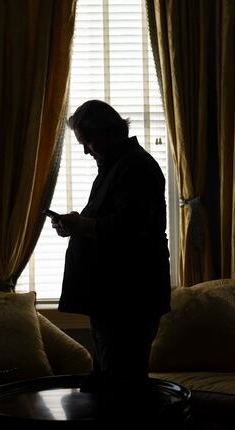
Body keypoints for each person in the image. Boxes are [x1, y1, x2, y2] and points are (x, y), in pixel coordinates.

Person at [51, 100, 171, 393]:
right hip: (111, 298)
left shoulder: (137, 167)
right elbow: (106, 222)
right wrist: (76, 225)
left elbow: (125, 229)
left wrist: (79, 225)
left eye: (88, 141)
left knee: (122, 388)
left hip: (128, 298)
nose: (85, 150)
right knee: (110, 380)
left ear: (110, 132)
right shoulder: (115, 166)